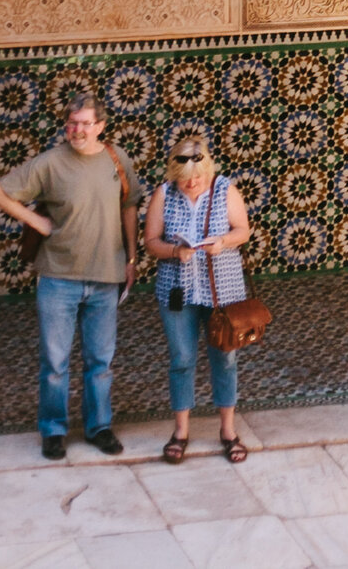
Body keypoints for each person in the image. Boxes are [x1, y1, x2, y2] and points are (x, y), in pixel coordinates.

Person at [0, 89, 141, 461]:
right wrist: (36, 220)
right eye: (72, 123)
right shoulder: (49, 163)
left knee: (100, 361)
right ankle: (53, 431)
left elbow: (130, 207)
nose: (78, 130)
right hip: (58, 278)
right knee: (55, 363)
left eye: (85, 124)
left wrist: (132, 259)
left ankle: (99, 427)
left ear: (100, 126)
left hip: (106, 275)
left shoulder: (117, 159)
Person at [142, 130, 254, 465]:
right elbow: (150, 242)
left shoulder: (224, 189)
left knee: (225, 357)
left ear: (207, 171)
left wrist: (222, 242)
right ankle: (180, 431)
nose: (192, 185)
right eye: (185, 180)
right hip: (177, 290)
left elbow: (243, 230)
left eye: (198, 178)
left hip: (223, 291)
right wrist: (176, 250)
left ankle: (228, 430)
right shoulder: (164, 193)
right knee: (181, 359)